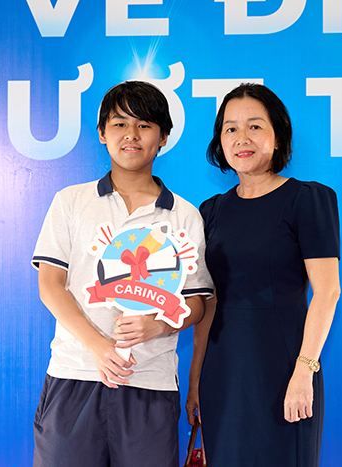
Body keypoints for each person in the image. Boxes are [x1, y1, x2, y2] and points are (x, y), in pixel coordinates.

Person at [31, 81, 214, 467]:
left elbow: (197, 302)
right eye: (119, 124)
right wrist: (99, 347)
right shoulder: (71, 202)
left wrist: (159, 324)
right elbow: (49, 285)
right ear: (102, 133)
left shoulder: (184, 215)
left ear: (163, 137)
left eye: (144, 125)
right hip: (75, 375)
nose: (131, 134)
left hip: (150, 382)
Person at [186, 83, 341, 466]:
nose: (242, 138)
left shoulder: (308, 199)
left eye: (255, 126)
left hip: (285, 370)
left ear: (278, 135)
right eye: (231, 128)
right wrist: (196, 380)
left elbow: (327, 292)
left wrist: (304, 372)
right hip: (223, 374)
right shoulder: (211, 211)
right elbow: (209, 302)